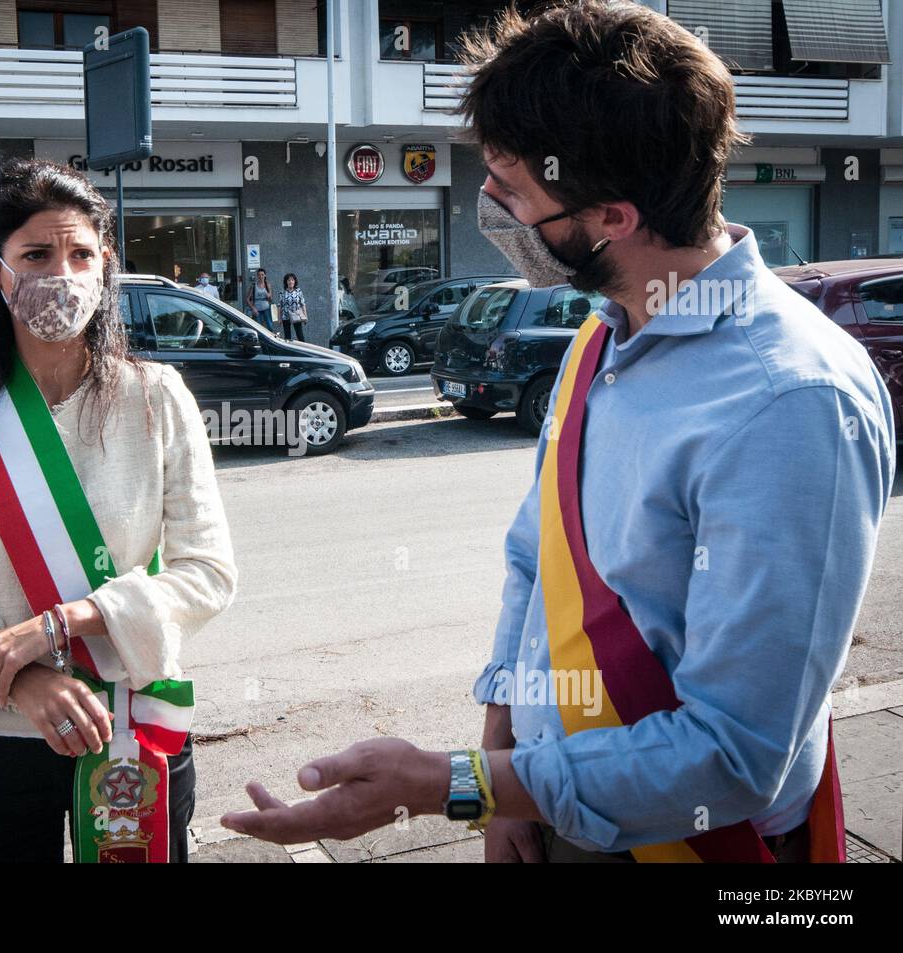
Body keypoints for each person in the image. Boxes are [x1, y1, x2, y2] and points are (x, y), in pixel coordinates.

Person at [221, 0, 894, 863]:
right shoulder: (603, 333)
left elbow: (736, 754)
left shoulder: (791, 402)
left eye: (513, 191)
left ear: (613, 217)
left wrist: (455, 783)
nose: (490, 208)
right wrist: (506, 781)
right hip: (557, 808)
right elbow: (535, 570)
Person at [0, 157, 238, 863]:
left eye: (80, 253)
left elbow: (208, 573)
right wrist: (20, 676)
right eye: (36, 254)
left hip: (132, 728)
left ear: (105, 265)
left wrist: (60, 626)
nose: (61, 274)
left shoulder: (156, 398)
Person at [245, 267, 276, 333]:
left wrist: (268, 296)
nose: (261, 276)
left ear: (265, 275)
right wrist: (253, 308)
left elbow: (271, 298)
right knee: (259, 327)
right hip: (257, 309)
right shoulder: (253, 285)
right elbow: (247, 299)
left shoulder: (267, 285)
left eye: (262, 274)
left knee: (270, 326)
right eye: (259, 275)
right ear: (257, 276)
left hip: (266, 308)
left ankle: (271, 340)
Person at [277, 273, 307, 342]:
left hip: (296, 315)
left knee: (300, 336)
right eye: (289, 280)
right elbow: (279, 305)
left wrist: (305, 317)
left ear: (295, 281)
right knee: (287, 338)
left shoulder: (298, 291)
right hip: (286, 316)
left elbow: (303, 304)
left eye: (292, 280)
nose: (291, 282)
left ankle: (303, 350)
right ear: (286, 282)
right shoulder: (282, 292)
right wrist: (279, 318)